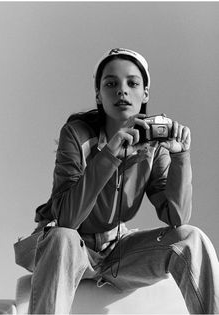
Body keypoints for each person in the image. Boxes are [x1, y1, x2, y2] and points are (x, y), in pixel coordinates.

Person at [15, 48, 219, 314]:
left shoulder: (153, 146)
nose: (122, 90)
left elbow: (177, 217)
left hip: (117, 252)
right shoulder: (76, 135)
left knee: (191, 237)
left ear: (145, 93)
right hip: (66, 248)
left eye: (132, 83)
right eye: (111, 84)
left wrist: (181, 156)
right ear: (98, 95)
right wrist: (109, 154)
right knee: (61, 236)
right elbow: (67, 219)